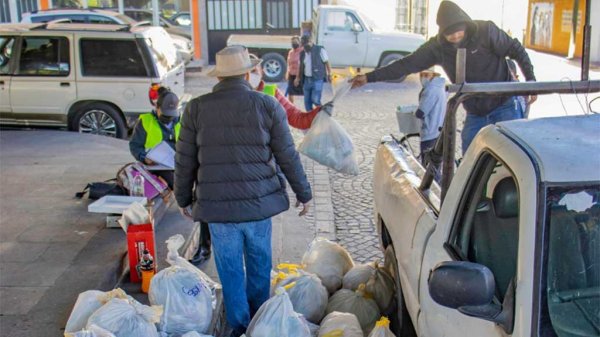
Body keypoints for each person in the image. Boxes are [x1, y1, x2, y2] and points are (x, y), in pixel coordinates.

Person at [174, 45, 312, 337]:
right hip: (259, 205)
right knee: (260, 263)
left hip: (218, 209)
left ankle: (239, 325)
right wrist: (304, 193)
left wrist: (183, 198)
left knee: (229, 268)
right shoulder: (267, 104)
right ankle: (261, 321)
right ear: (248, 73)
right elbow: (287, 154)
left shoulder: (196, 108)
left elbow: (184, 159)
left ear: (219, 76)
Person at [351, 0, 536, 154]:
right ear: (442, 32)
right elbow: (406, 64)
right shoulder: (437, 47)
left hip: (504, 105)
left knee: (511, 156)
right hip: (475, 111)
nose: (455, 37)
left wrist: (531, 81)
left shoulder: (486, 31)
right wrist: (369, 78)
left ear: (466, 25)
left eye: (458, 31)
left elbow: (516, 49)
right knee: (471, 161)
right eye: (449, 34)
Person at [130, 86, 212, 263]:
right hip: (157, 167)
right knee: (178, 182)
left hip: (181, 163)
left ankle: (203, 241)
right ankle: (188, 204)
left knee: (201, 186)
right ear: (157, 108)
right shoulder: (145, 121)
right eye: (165, 113)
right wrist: (145, 157)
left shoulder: (183, 120)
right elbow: (135, 146)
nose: (168, 117)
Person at [248, 55, 333, 130]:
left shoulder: (272, 93)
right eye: (245, 73)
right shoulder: (235, 95)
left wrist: (319, 112)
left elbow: (297, 118)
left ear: (262, 72)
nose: (249, 76)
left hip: (264, 147)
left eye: (253, 71)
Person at [295, 35, 332, 111]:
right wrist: (297, 78)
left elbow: (327, 62)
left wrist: (330, 73)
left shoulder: (320, 50)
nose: (304, 47)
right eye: (303, 46)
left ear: (311, 41)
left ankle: (324, 113)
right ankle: (312, 120)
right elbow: (300, 66)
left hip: (317, 79)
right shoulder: (302, 53)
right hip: (306, 80)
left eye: (306, 45)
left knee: (315, 100)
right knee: (307, 103)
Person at [416, 70, 447, 162]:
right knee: (435, 163)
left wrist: (415, 112)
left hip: (430, 131)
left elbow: (421, 112)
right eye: (421, 75)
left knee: (428, 165)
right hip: (438, 129)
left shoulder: (430, 90)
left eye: (426, 75)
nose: (423, 78)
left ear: (434, 75)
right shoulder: (441, 87)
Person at [285, 36, 303, 104]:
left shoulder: (302, 51)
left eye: (295, 42)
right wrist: (287, 72)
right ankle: (291, 107)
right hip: (291, 73)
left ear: (299, 42)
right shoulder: (291, 52)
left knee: (304, 93)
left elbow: (300, 65)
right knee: (290, 92)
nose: (294, 43)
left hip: (299, 75)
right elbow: (288, 62)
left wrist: (297, 78)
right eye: (292, 42)